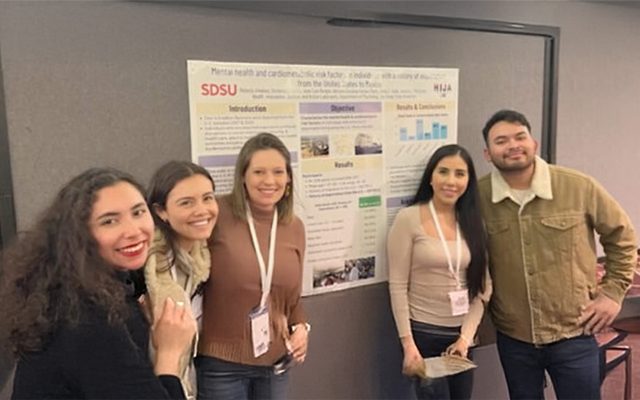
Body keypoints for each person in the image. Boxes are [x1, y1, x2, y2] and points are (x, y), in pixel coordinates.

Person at [478, 109, 638, 400]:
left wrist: (613, 293)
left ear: (534, 144)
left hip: (574, 331)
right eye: (501, 141)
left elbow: (623, 236)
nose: (512, 145)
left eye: (519, 137)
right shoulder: (478, 197)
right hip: (515, 337)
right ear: (488, 154)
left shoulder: (578, 186)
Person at [0, 168, 196, 399]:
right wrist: (169, 354)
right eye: (109, 221)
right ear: (80, 234)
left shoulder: (71, 287)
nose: (134, 231)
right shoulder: (87, 318)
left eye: (138, 212)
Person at [196, 132, 310, 400]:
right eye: (259, 171)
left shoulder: (293, 226)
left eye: (278, 172)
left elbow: (291, 299)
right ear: (243, 176)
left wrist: (302, 328)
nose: (269, 181)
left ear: (289, 179)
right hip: (221, 365)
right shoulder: (217, 214)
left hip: (275, 363)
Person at [387, 144, 492, 400]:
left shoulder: (473, 221)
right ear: (431, 177)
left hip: (461, 337)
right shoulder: (408, 218)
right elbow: (398, 286)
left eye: (460, 174)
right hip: (423, 334)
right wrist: (408, 345)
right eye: (443, 172)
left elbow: (483, 288)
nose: (451, 181)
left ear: (468, 180)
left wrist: (466, 339)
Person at [145, 160, 219, 399]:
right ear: (160, 212)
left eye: (208, 198)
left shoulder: (200, 262)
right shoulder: (146, 268)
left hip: (184, 383)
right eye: (186, 203)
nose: (202, 210)